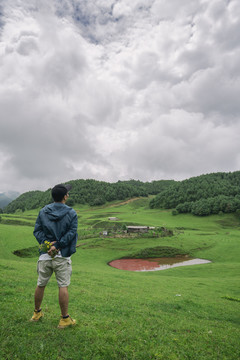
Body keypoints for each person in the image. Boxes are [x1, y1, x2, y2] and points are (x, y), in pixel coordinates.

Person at [30, 184, 78, 328]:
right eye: (67, 193)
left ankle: (36, 313)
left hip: (45, 255)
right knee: (63, 286)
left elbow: (37, 231)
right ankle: (64, 319)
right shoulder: (72, 213)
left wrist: (47, 245)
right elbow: (71, 232)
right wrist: (57, 246)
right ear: (65, 197)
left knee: (41, 284)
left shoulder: (43, 211)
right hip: (62, 256)